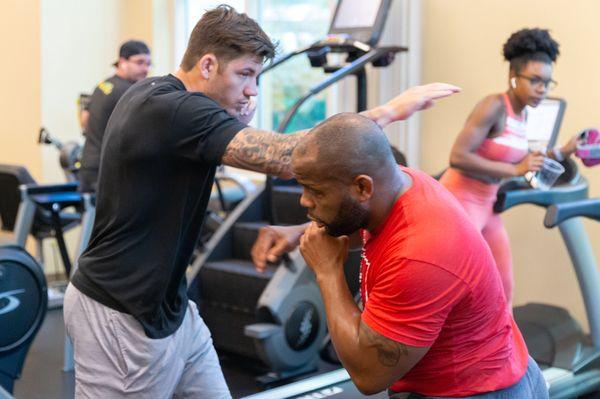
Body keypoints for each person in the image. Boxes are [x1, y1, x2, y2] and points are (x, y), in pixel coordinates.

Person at [63, 5, 460, 398]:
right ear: (206, 65)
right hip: (119, 313)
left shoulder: (159, 94)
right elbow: (289, 157)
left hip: (172, 310)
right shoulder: (173, 109)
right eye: (245, 75)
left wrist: (234, 119)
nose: (252, 89)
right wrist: (387, 112)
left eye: (256, 76)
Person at [251, 113, 547, 398]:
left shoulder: (418, 255)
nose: (304, 200)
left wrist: (328, 273)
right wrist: (301, 230)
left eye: (315, 192)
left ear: (363, 187)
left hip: (473, 392)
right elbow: (358, 220)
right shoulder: (400, 182)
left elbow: (369, 376)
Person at [439, 28, 578, 308]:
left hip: (488, 205)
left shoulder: (523, 112)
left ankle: (501, 351)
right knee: (456, 288)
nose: (543, 89)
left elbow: (521, 159)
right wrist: (515, 171)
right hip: (459, 200)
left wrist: (563, 150)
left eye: (548, 83)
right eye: (535, 81)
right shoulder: (493, 106)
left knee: (503, 287)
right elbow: (458, 156)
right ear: (513, 77)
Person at [78, 39, 151, 192]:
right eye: (140, 62)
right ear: (122, 62)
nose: (146, 69)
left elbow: (85, 120)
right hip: (108, 172)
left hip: (89, 166)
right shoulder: (129, 91)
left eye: (149, 64)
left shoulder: (102, 86)